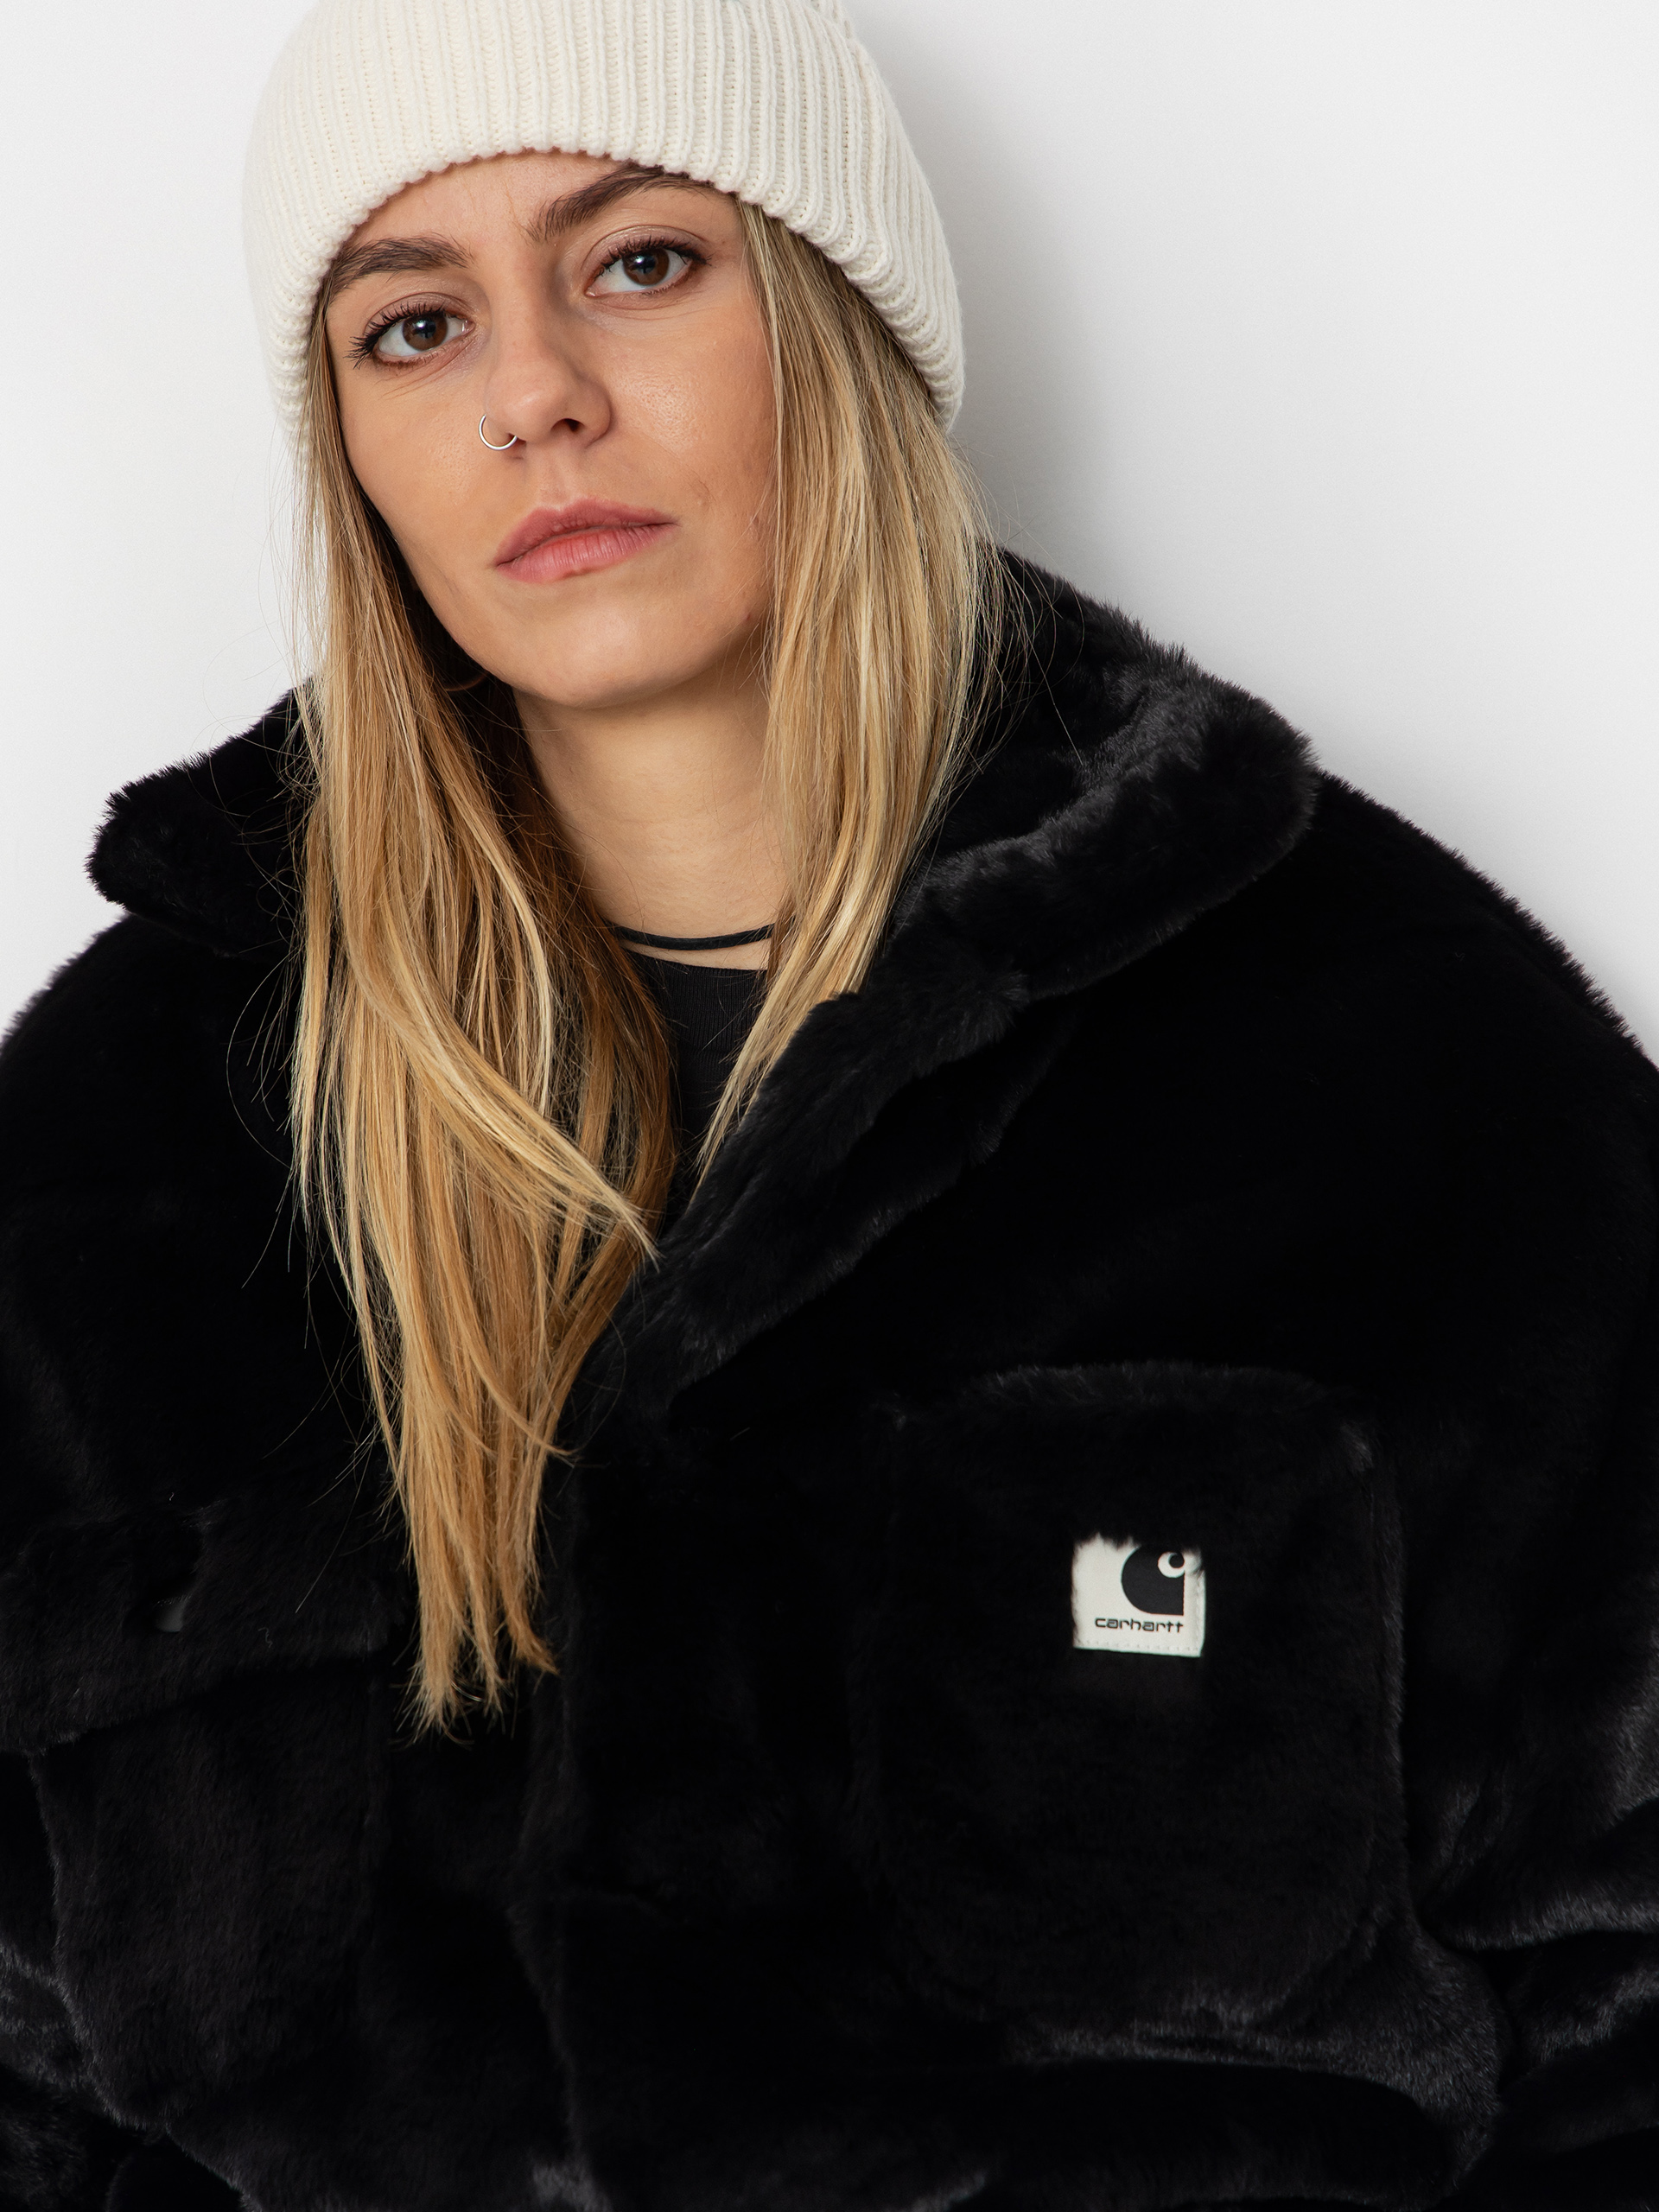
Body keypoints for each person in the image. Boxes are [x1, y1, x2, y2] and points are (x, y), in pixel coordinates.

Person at [1, 0, 1654, 2206]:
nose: (532, 393)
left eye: (641, 262)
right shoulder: (121, 1148)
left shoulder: (1389, 1065)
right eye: (414, 323)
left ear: (840, 310)